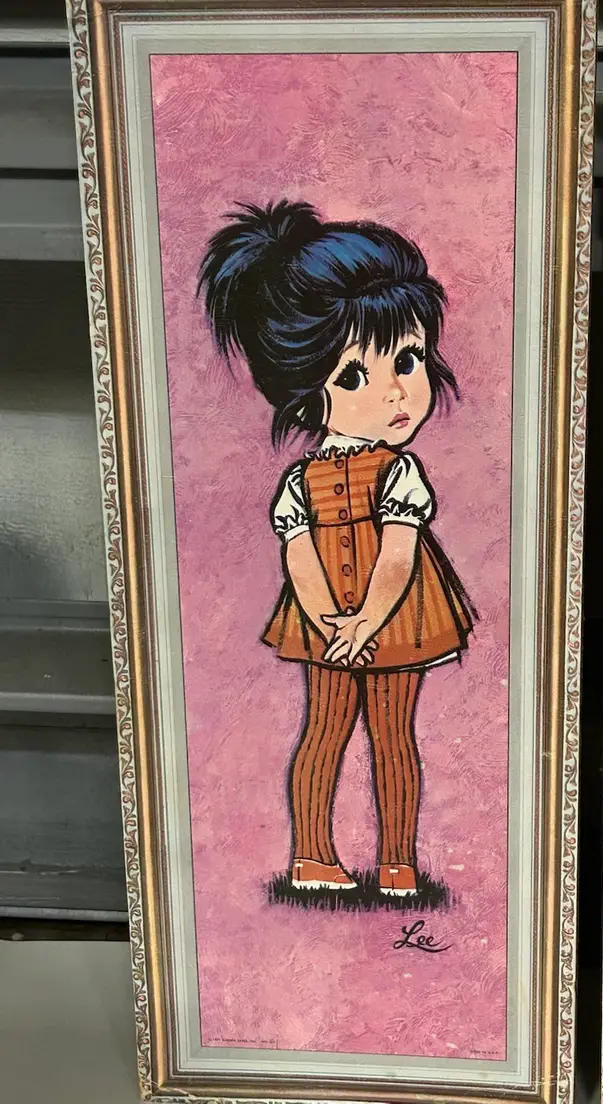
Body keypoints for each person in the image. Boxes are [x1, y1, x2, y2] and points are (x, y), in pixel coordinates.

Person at [198, 200, 474, 897]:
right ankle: (313, 856)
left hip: (397, 616)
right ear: (305, 391)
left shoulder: (399, 473)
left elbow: (399, 556)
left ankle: (397, 862)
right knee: (322, 732)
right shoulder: (300, 483)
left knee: (392, 736)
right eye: (353, 376)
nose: (396, 392)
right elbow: (298, 558)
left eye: (408, 359)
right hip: (325, 620)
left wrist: (365, 623)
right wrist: (330, 624)